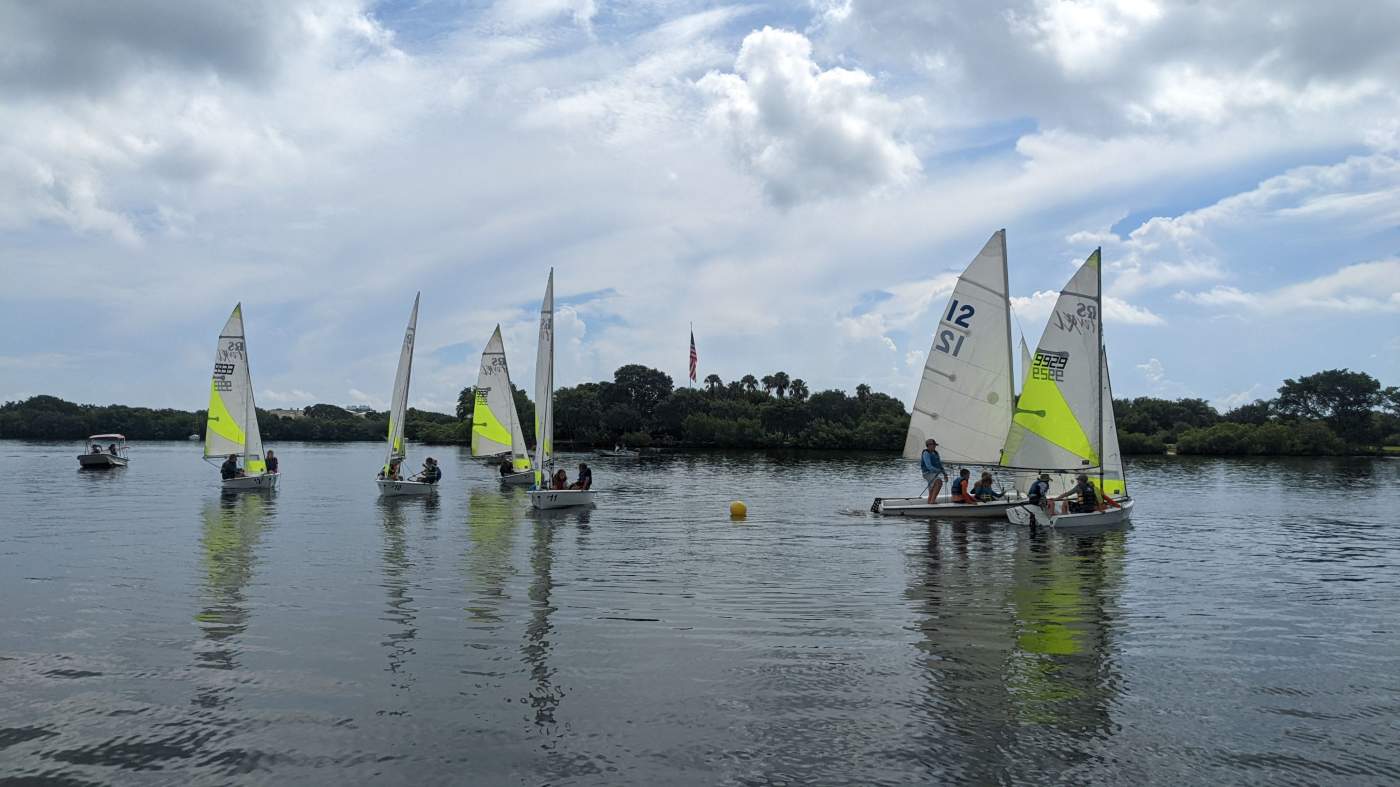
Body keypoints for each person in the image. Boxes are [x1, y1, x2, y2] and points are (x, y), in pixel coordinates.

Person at [920, 438, 947, 504]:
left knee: (933, 487)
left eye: (935, 445)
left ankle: (930, 501)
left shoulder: (935, 453)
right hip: (927, 473)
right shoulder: (926, 453)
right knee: (939, 482)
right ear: (928, 445)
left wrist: (945, 474)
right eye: (933, 445)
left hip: (934, 474)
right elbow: (929, 466)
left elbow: (940, 465)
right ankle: (932, 501)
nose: (935, 446)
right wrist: (938, 470)